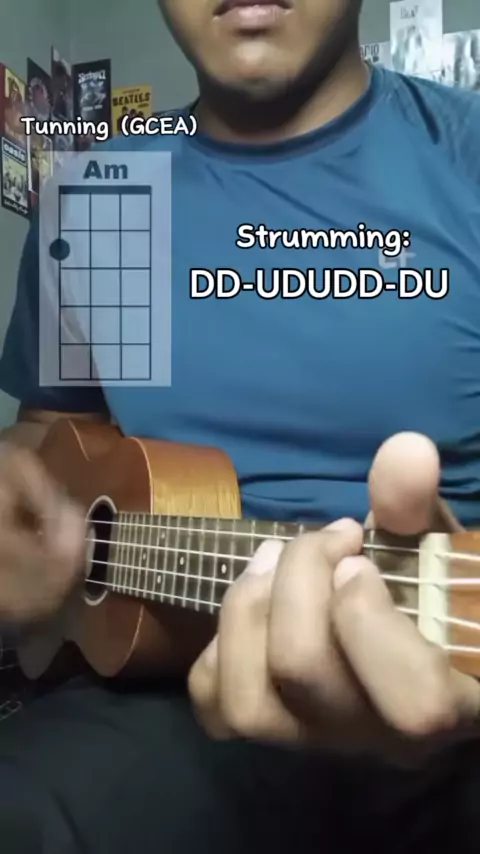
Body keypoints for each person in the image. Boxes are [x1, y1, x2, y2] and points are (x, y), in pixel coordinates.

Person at [0, 0, 479, 850]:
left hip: (454, 685)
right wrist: (22, 519)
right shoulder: (105, 199)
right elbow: (54, 435)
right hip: (158, 692)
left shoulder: (466, 157)